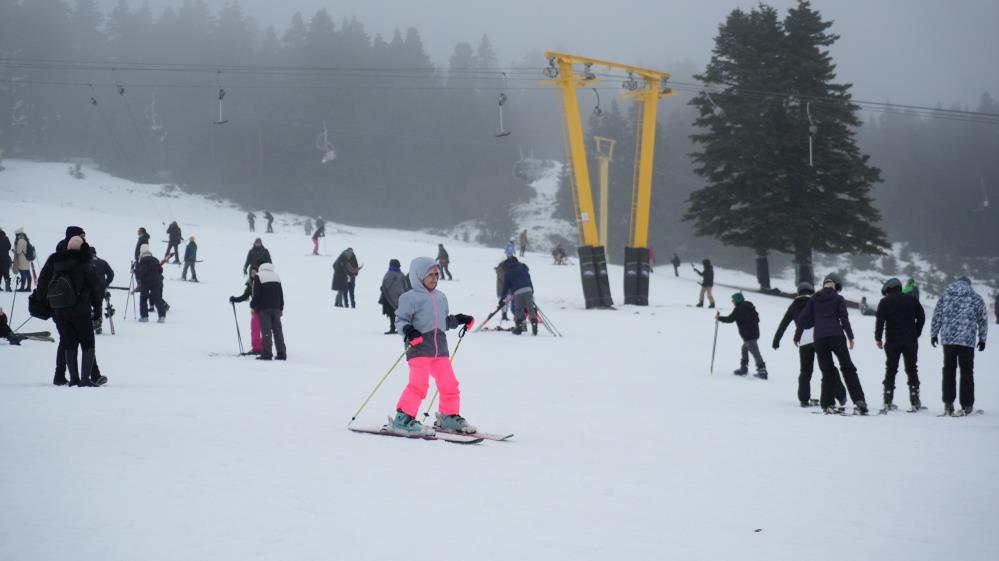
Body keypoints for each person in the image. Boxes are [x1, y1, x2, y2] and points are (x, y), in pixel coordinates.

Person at [390, 257, 476, 435]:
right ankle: (403, 418)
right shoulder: (409, 298)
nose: (434, 278)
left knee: (449, 384)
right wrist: (409, 330)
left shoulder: (441, 297)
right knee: (419, 385)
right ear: (419, 275)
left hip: (440, 350)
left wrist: (459, 319)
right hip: (419, 347)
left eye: (437, 274)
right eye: (430, 275)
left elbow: (443, 322)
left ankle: (448, 416)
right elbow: (400, 320)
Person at [35, 236, 103, 386]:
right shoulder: (84, 263)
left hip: (60, 311)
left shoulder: (55, 262)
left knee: (69, 343)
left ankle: (73, 379)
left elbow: (44, 282)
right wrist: (97, 306)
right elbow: (95, 286)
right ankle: (85, 379)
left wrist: (43, 303)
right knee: (88, 342)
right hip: (80, 311)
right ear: (81, 248)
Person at [795, 277, 869, 415]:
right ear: (834, 287)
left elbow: (803, 318)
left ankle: (828, 403)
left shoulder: (814, 299)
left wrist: (797, 336)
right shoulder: (838, 298)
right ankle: (859, 400)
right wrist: (850, 337)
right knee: (848, 368)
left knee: (827, 372)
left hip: (820, 339)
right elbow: (844, 319)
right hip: (837, 337)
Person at [774, 282, 846, 406]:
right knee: (829, 367)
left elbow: (783, 324)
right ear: (811, 291)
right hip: (820, 336)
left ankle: (803, 399)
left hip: (803, 339)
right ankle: (840, 395)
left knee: (806, 370)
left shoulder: (793, 305)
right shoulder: (816, 301)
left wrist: (776, 340)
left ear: (798, 292)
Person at [930, 277, 988, 416]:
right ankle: (967, 404)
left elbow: (937, 315)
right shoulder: (975, 297)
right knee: (967, 372)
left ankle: (948, 403)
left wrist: (934, 333)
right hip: (967, 341)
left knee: (949, 370)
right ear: (969, 284)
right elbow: (983, 319)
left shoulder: (946, 296)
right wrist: (982, 338)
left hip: (949, 339)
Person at [875, 277, 926, 411]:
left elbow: (880, 321)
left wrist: (878, 338)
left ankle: (887, 399)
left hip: (892, 340)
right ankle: (915, 400)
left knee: (891, 368)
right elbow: (921, 317)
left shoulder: (884, 302)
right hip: (910, 340)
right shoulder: (912, 300)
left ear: (889, 289)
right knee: (911, 368)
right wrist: (917, 331)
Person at [717, 292, 767, 379]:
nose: (732, 302)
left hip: (748, 335)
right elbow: (757, 319)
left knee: (755, 352)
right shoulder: (750, 306)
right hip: (755, 333)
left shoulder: (739, 309)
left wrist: (719, 318)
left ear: (737, 300)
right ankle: (744, 367)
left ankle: (762, 370)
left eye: (733, 300)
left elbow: (730, 319)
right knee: (744, 348)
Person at [251, 263, 286, 361]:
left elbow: (256, 294)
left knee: (266, 332)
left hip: (264, 309)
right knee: (278, 332)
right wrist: (281, 308)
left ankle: (267, 354)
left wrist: (253, 306)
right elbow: (281, 294)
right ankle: (282, 354)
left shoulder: (259, 276)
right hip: (276, 309)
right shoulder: (276, 276)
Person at [500, 256, 538, 335]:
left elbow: (506, 287)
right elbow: (529, 279)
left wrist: (502, 299)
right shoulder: (523, 268)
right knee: (530, 308)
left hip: (518, 292)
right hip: (528, 290)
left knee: (518, 309)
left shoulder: (508, 272)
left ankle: (519, 328)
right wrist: (532, 291)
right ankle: (534, 324)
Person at [229, 266, 262, 354]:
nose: (253, 274)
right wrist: (235, 299)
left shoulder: (262, 282)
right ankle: (257, 348)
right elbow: (245, 296)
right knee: (255, 329)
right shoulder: (250, 284)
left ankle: (264, 347)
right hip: (255, 310)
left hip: (263, 309)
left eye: (255, 272)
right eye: (251, 273)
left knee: (264, 329)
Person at [135, 244, 166, 323]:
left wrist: (135, 271)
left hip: (146, 282)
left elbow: (141, 273)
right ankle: (162, 317)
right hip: (156, 281)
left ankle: (144, 317)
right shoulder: (155, 259)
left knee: (143, 298)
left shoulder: (141, 260)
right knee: (157, 298)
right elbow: (161, 270)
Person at [379, 259, 408, 334]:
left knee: (392, 314)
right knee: (396, 313)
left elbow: (385, 286)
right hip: (398, 297)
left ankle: (393, 328)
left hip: (389, 298)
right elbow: (405, 285)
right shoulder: (400, 273)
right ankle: (397, 328)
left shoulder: (389, 274)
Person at [91, 246, 114, 335]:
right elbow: (111, 274)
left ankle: (88, 324)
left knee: (86, 305)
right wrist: (106, 283)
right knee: (98, 305)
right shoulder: (102, 262)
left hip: (88, 288)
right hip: (100, 288)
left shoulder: (84, 262)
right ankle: (98, 325)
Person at [0, 226, 12, 291]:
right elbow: (9, 246)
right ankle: (8, 287)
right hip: (5, 258)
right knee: (6, 273)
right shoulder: (6, 238)